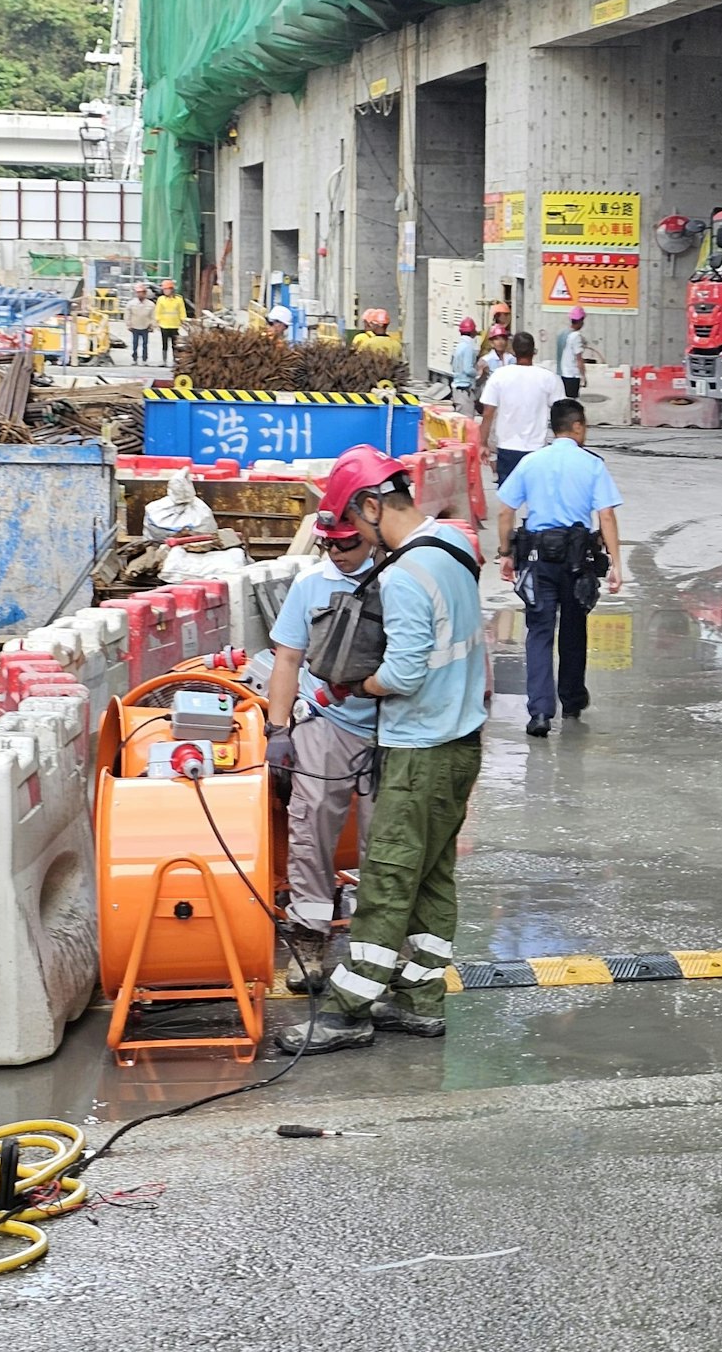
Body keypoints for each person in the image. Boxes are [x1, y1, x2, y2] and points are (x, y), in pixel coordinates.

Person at [275, 445, 486, 1055]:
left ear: (371, 506)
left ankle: (348, 1010)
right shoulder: (454, 543)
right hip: (460, 742)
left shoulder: (402, 575)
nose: (355, 539)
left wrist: (350, 686)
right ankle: (419, 999)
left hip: (420, 748)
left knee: (387, 878)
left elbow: (403, 674)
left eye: (353, 523)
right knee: (431, 879)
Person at [262, 522, 380, 991]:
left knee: (384, 837)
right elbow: (288, 659)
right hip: (325, 720)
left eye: (347, 543)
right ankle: (309, 936)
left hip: (390, 726)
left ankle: (377, 944)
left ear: (371, 533)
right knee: (310, 825)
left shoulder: (399, 580)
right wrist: (278, 729)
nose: (336, 552)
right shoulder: (311, 585)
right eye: (328, 543)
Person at [496, 399, 625, 737]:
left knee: (539, 632)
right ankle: (571, 700)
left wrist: (506, 553)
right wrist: (616, 563)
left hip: (537, 560)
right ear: (578, 426)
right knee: (573, 628)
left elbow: (505, 511)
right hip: (576, 561)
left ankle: (540, 713)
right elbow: (606, 516)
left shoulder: (530, 462)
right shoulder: (592, 464)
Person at [478, 330, 562, 486]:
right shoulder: (549, 378)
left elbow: (488, 413)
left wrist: (482, 443)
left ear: (513, 351)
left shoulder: (499, 376)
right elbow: (560, 414)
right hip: (537, 449)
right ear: (534, 352)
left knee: (508, 495)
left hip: (507, 447)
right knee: (536, 494)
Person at [556, 307, 598, 399]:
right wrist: (583, 376)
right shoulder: (576, 336)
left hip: (561, 374)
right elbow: (579, 359)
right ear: (580, 321)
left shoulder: (563, 334)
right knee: (572, 403)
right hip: (572, 376)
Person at [450, 315, 480, 416]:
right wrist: (478, 372)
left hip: (457, 389)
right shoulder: (468, 347)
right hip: (465, 389)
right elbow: (468, 369)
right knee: (467, 420)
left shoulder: (459, 346)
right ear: (472, 331)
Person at [155, 279, 188, 364]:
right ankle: (164, 361)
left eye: (167, 289)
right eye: (164, 289)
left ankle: (175, 360)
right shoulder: (161, 299)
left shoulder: (178, 299)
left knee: (175, 344)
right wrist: (157, 321)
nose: (165, 291)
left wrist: (183, 320)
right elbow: (158, 311)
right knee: (164, 344)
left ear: (171, 289)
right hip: (164, 325)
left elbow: (182, 310)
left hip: (175, 325)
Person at [125, 283, 156, 364]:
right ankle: (134, 359)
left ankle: (144, 359)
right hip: (134, 326)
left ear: (145, 293)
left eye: (141, 292)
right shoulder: (131, 304)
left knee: (145, 344)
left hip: (145, 326)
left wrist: (152, 325)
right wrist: (128, 324)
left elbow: (153, 316)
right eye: (138, 292)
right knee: (135, 344)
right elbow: (127, 314)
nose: (140, 294)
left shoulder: (150, 304)